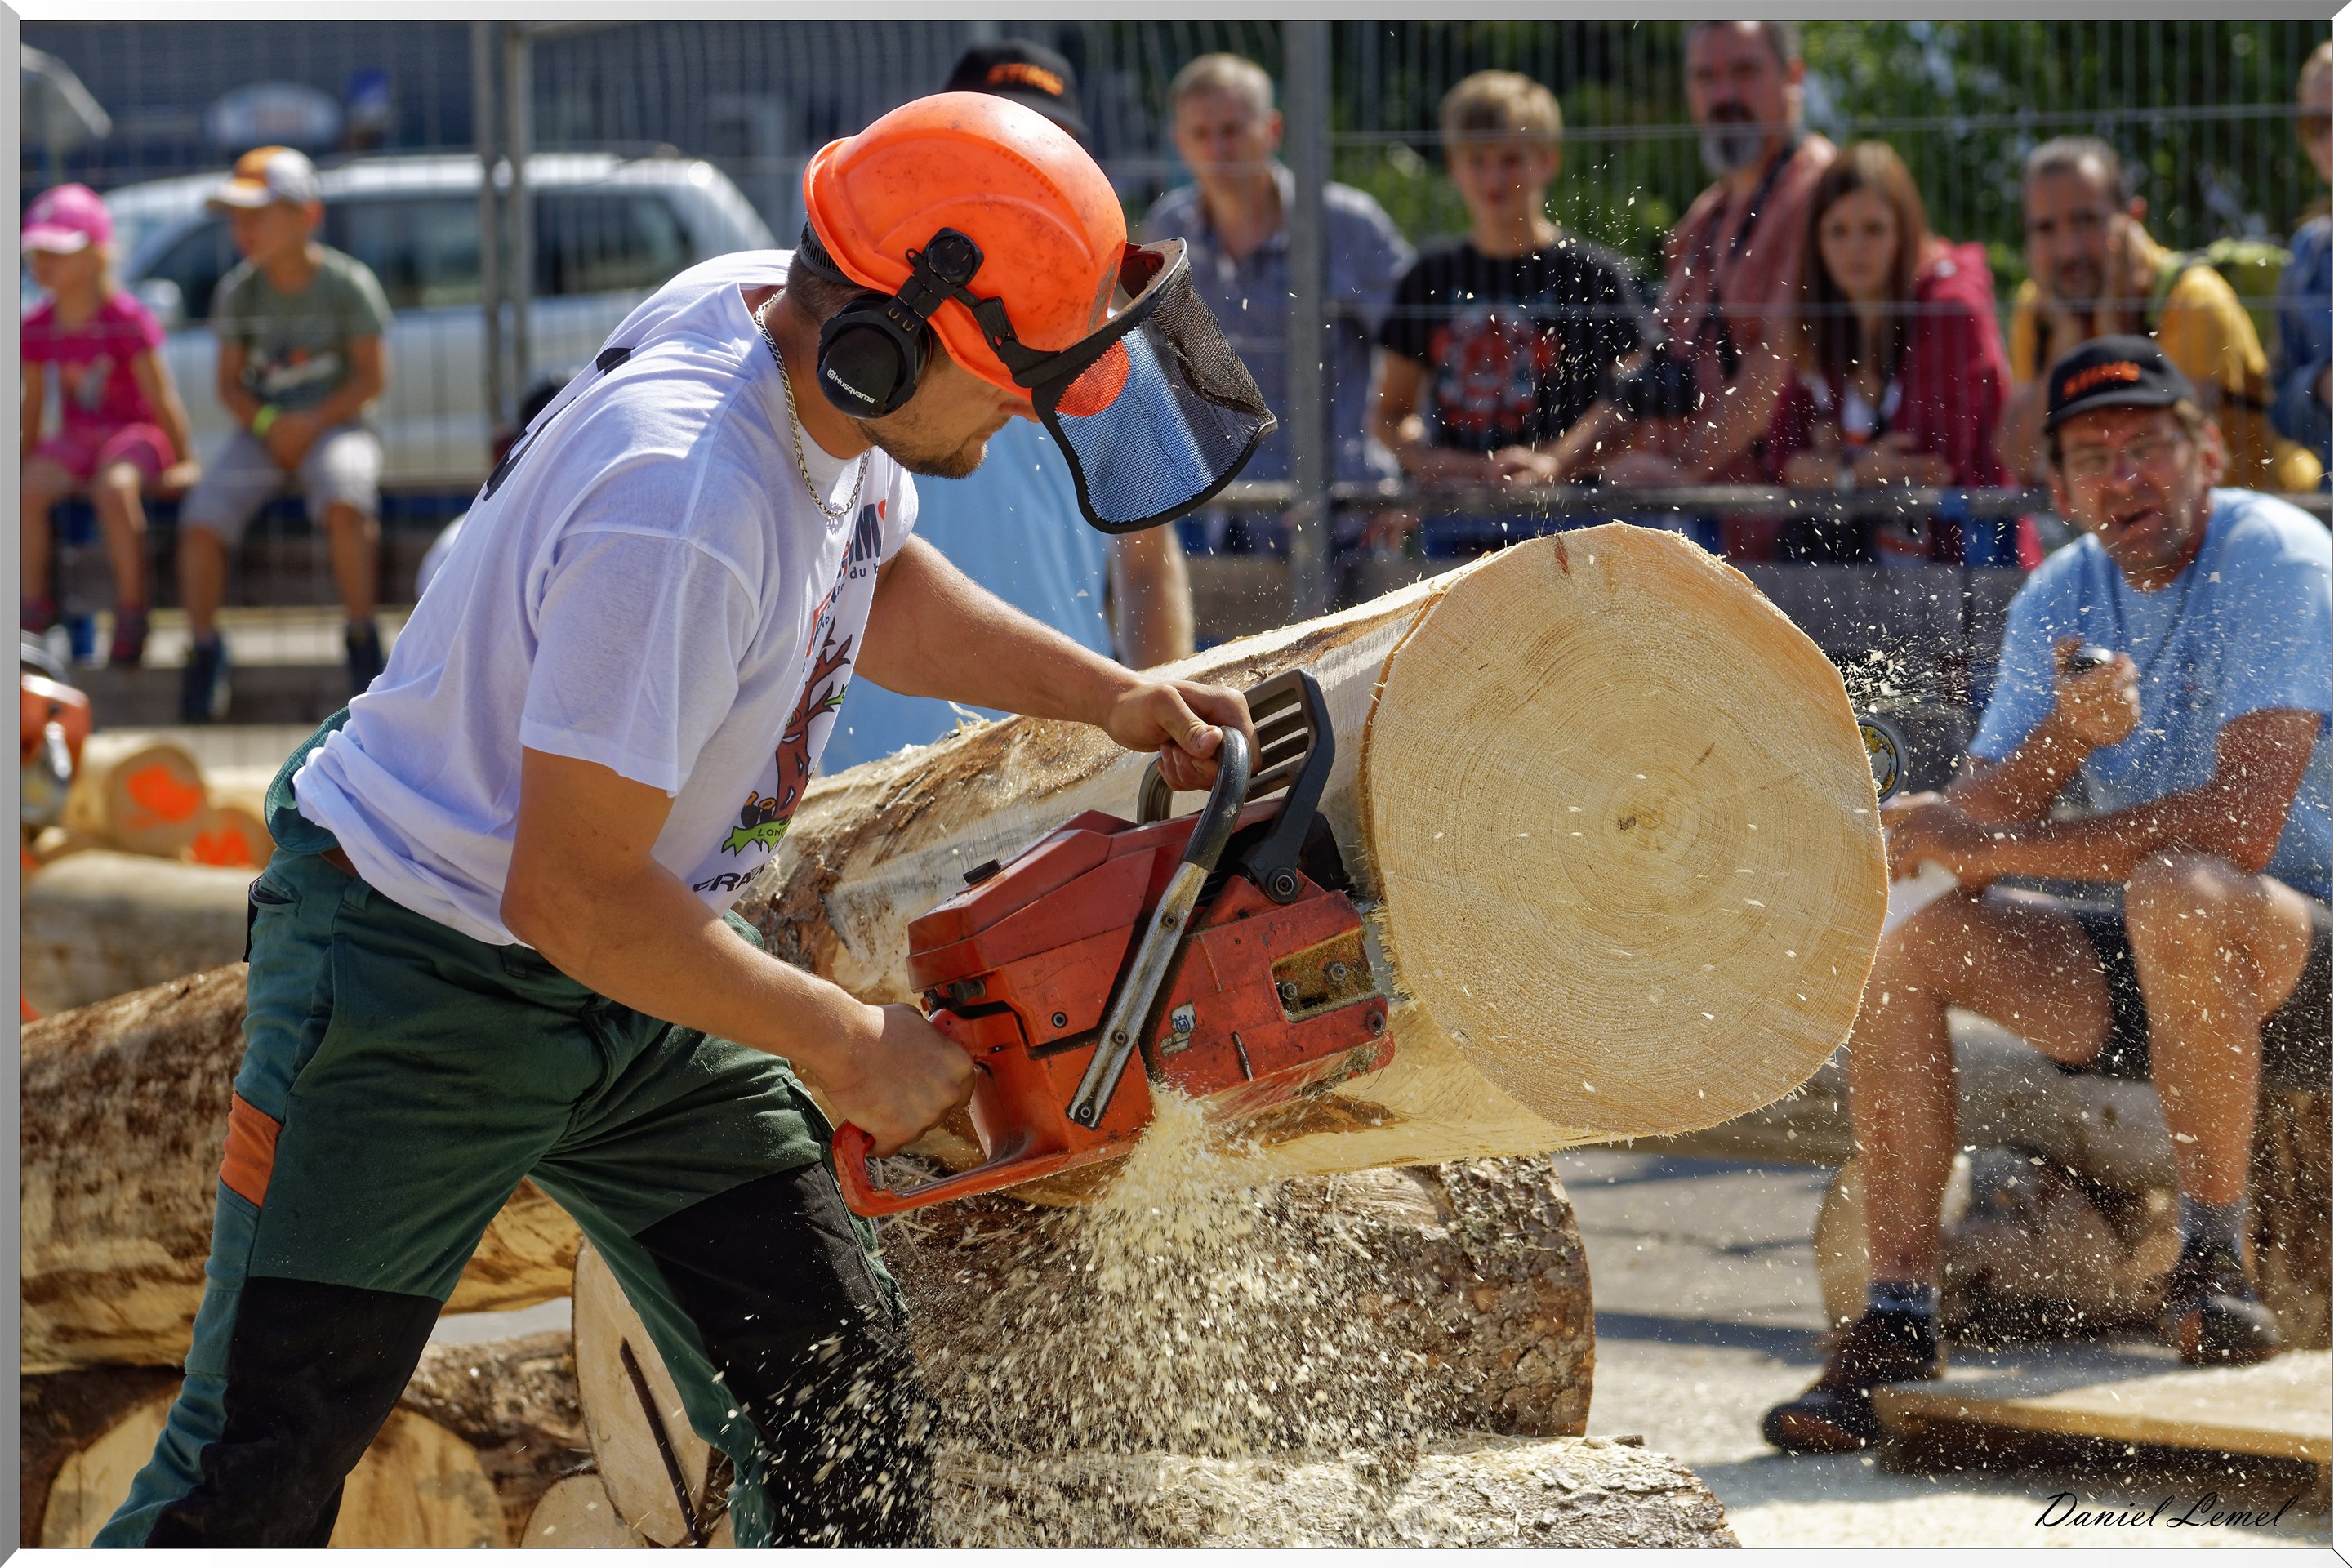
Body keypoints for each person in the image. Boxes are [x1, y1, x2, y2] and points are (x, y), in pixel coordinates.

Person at [94, 94, 1261, 1548]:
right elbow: (569, 897)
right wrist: (846, 1049)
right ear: (882, 345)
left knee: (844, 1401)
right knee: (258, 1463)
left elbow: (874, 578)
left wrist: (1107, 695)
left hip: (653, 968)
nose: (1029, 410)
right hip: (423, 973)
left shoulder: (786, 326)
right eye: (1011, 381)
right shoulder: (682, 504)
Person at [1763, 338, 2331, 1454]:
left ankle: (2215, 1269)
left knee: (2181, 886)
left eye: (2150, 445)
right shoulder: (2058, 595)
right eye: (2094, 457)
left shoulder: (2279, 554)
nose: (2127, 477)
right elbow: (1973, 826)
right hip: (2148, 946)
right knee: (1904, 924)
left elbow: (2243, 828)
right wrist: (2064, 740)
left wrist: (2004, 843)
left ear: (2207, 452)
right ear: (2062, 493)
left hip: (2307, 950)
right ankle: (1896, 1313)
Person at [828, 38, 1195, 769]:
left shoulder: (1113, 352)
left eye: (1051, 152)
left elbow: (1150, 565)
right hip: (850, 758)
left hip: (1056, 743)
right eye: (1003, 145)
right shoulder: (862, 333)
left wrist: (1158, 718)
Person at [1552, 20, 1837, 534]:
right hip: (1695, 510)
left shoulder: (1821, 194)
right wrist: (1555, 465)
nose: (1725, 95)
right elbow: (1654, 365)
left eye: (1745, 72)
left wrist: (1680, 474)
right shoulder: (1706, 217)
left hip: (1789, 526)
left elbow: (1773, 367)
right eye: (1707, 78)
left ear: (1794, 77)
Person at [1143, 52, 1414, 577]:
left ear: (1271, 130)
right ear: (1180, 143)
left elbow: (1422, 352)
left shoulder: (1346, 225)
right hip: (1223, 513)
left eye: (1232, 130)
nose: (1218, 150)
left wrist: (1409, 470)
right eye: (1202, 134)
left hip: (1348, 512)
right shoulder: (1169, 229)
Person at [1367, 70, 1643, 558]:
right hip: (1456, 523)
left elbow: (1633, 404)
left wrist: (1552, 463)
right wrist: (1455, 468)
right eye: (1477, 161)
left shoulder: (1593, 273)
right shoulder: (1429, 274)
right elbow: (1390, 417)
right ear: (1453, 166)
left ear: (1547, 161)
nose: (1494, 178)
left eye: (1511, 159)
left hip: (1576, 519)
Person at [176, 145, 393, 723]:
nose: (243, 229)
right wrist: (274, 424)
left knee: (347, 500)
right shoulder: (238, 292)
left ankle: (362, 641)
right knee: (200, 519)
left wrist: (312, 423)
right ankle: (202, 650)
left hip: (337, 425)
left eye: (258, 214)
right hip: (264, 432)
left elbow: (371, 378)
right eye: (237, 217)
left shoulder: (349, 285)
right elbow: (230, 387)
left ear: (307, 216)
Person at [1994, 136, 2321, 495]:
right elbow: (2020, 460)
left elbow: (2170, 458)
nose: (2068, 249)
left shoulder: (2194, 298)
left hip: (2264, 517)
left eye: (2086, 221)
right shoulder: (2040, 308)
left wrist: (2111, 333)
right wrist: (2066, 341)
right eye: (2045, 229)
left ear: (2132, 219)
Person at [1759, 141, 2032, 567]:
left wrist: (1830, 461)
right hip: (1864, 576)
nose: (1855, 249)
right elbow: (1779, 455)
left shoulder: (1950, 307)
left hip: (1972, 568)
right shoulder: (1821, 321)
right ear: (1816, 240)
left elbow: (1929, 459)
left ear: (1905, 231)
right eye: (1838, 231)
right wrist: (1855, 471)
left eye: (1874, 229)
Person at [20, 182, 199, 667]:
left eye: (56, 251)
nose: (42, 262)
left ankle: (132, 609)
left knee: (115, 489)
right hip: (77, 438)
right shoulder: (37, 326)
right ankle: (30, 610)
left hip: (133, 436)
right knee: (28, 490)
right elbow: (32, 407)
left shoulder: (126, 318)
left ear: (96, 255)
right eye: (36, 250)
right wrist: (25, 463)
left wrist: (184, 460)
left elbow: (160, 395)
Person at [2270, 42, 2332, 489]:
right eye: (2316, 124)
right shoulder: (2311, 253)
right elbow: (2279, 408)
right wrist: (2322, 387)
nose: (2332, 137)